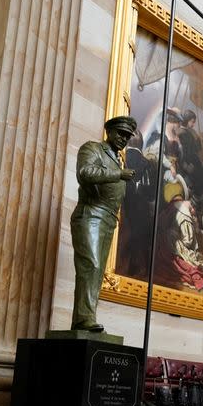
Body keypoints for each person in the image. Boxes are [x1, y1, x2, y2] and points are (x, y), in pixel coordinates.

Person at [70, 116, 137, 331]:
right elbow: (85, 173)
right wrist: (118, 174)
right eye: (120, 133)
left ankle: (84, 320)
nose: (123, 139)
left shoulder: (118, 159)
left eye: (127, 136)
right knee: (91, 265)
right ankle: (84, 319)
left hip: (109, 219)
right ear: (109, 131)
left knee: (97, 273)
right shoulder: (93, 149)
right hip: (91, 213)